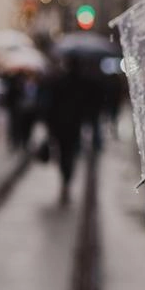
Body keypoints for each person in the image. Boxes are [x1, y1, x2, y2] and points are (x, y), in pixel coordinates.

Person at [43, 56, 86, 205]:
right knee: (70, 153)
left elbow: (50, 104)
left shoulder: (59, 81)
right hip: (73, 126)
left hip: (60, 125)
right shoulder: (81, 84)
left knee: (63, 153)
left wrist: (49, 124)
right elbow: (84, 106)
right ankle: (67, 179)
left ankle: (64, 178)